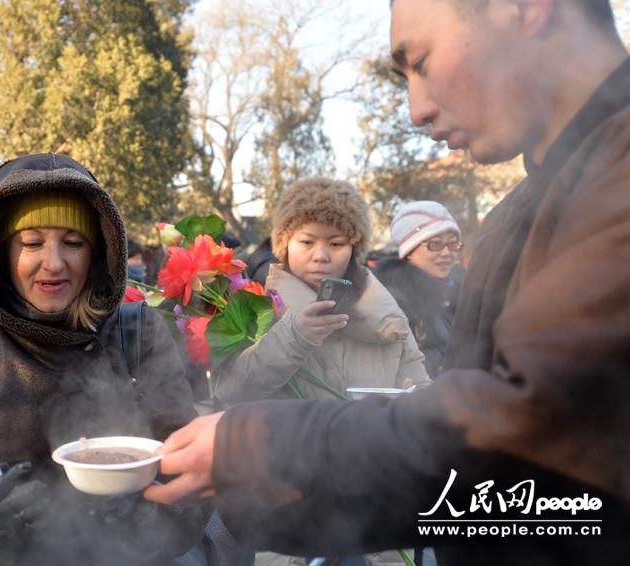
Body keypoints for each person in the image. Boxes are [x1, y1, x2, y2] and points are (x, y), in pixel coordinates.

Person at [144, 1, 630, 564]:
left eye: (420, 62)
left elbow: (531, 439)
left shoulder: (612, 179)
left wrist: (259, 445)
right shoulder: (529, 206)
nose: (416, 110)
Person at [0, 153, 204, 565]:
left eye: (73, 243)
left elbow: (193, 472)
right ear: (1, 252)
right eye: (32, 242)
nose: (53, 263)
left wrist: (147, 516)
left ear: (97, 253)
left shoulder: (138, 333)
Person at [214, 177, 429, 405]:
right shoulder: (254, 306)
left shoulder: (386, 313)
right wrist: (295, 336)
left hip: (372, 440)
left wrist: (418, 398)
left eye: (336, 244)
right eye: (307, 242)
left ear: (354, 250)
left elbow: (420, 383)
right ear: (284, 245)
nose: (320, 256)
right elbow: (230, 391)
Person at [374, 201, 464, 378]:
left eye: (453, 244)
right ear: (409, 250)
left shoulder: (469, 290)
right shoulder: (393, 299)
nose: (447, 253)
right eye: (435, 244)